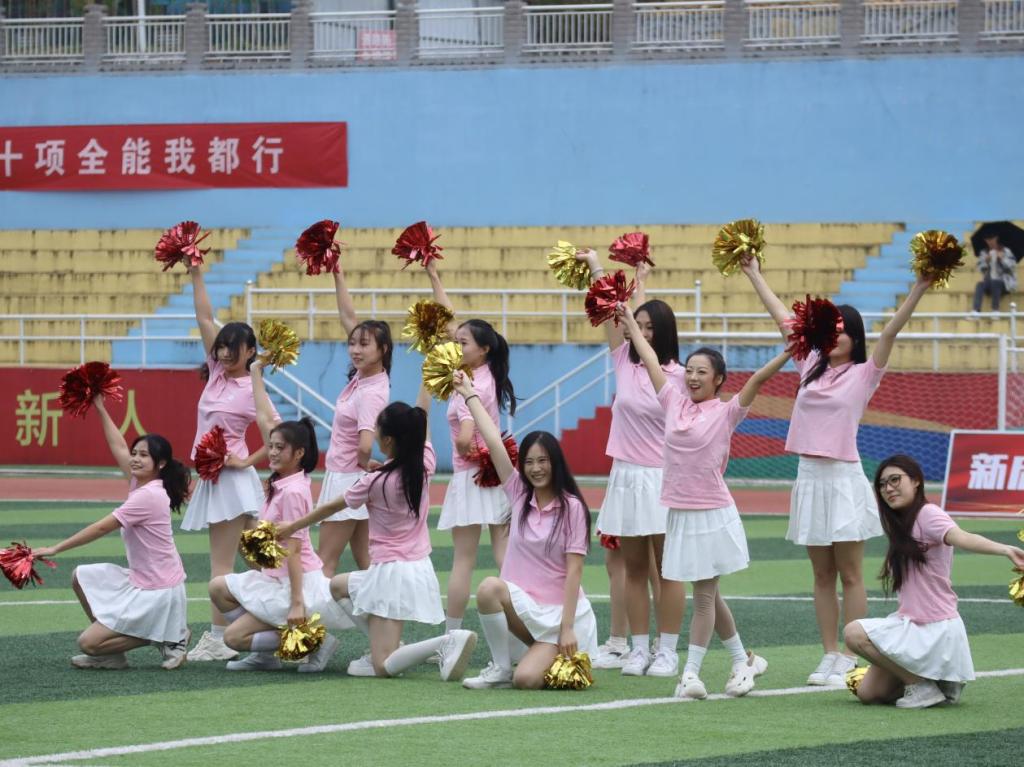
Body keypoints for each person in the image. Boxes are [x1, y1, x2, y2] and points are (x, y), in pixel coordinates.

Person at [740, 255, 934, 686]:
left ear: (855, 338)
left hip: (844, 478)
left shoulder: (865, 373)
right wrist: (753, 273)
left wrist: (919, 286)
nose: (834, 337)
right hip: (809, 477)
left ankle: (850, 653)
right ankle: (829, 653)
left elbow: (891, 331)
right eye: (830, 330)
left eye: (842, 331)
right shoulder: (809, 364)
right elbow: (782, 319)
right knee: (822, 574)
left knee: (850, 573)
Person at [619, 305, 788, 697]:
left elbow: (758, 379)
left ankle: (690, 675)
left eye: (702, 372)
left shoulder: (727, 412)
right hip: (679, 513)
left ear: (718, 380)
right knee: (708, 594)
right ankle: (743, 661)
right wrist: (629, 323)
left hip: (712, 513)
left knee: (704, 597)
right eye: (690, 371)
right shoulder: (672, 402)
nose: (693, 377)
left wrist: (788, 352)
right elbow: (649, 357)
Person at [274, 381, 479, 682]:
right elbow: (421, 415)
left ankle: (444, 642)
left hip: (389, 572)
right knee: (338, 586)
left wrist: (292, 526)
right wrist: (427, 380)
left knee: (382, 667)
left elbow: (331, 507)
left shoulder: (375, 481)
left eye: (377, 430)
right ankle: (383, 647)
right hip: (417, 567)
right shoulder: (424, 463)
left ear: (388, 440)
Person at [455, 371, 599, 690]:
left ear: (556, 463)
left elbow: (574, 572)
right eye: (530, 462)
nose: (536, 468)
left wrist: (566, 628)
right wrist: (468, 393)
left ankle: (540, 656)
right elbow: (494, 441)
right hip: (524, 612)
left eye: (543, 461)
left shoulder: (572, 507)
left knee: (528, 680)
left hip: (558, 616)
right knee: (490, 587)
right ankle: (501, 667)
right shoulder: (519, 494)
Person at [844, 454, 1024, 708]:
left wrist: (1004, 549)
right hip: (913, 625)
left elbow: (961, 537)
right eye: (882, 484)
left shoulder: (928, 514)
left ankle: (921, 685)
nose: (888, 488)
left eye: (895, 480)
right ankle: (937, 682)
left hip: (934, 628)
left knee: (853, 633)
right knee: (869, 693)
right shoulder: (900, 523)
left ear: (916, 481)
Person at [575, 248, 681, 676]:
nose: (645, 333)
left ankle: (667, 650)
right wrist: (596, 266)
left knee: (667, 570)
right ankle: (638, 649)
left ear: (666, 333)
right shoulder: (623, 360)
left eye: (653, 328)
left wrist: (640, 298)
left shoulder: (678, 376)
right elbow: (609, 310)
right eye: (641, 326)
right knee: (634, 568)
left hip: (662, 479)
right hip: (626, 476)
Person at [207, 360, 352, 673]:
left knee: (233, 638)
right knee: (218, 587)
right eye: (270, 446)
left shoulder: (293, 491)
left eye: (279, 448)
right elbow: (263, 417)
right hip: (272, 578)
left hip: (293, 583)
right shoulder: (282, 479)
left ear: (298, 453)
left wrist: (297, 602)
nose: (271, 452)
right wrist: (255, 372)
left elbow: (294, 550)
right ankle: (267, 655)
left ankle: (313, 639)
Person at [34, 395, 191, 670]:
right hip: (142, 580)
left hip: (158, 590)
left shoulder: (149, 496)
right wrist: (100, 407)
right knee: (80, 576)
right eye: (135, 453)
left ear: (161, 463)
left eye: (144, 455)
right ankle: (114, 655)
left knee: (89, 643)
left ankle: (170, 636)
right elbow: (118, 444)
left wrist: (55, 548)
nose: (135, 459)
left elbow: (101, 527)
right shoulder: (141, 483)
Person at [182, 263, 279, 663]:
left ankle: (219, 637)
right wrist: (195, 273)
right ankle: (277, 628)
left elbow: (277, 434)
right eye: (221, 347)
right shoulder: (217, 375)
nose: (223, 352)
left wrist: (245, 460)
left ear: (250, 352)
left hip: (230, 481)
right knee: (262, 561)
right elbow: (205, 317)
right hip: (220, 481)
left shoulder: (249, 387)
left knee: (223, 564)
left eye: (232, 348)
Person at [423, 260, 517, 636]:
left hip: (472, 476)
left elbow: (464, 438)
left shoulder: (470, 383)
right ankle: (522, 624)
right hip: (494, 475)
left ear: (483, 349)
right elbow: (450, 323)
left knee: (463, 560)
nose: (455, 344)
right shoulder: (486, 371)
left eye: (462, 343)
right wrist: (434, 276)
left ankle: (452, 634)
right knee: (504, 556)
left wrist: (465, 447)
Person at [316, 260, 392, 576]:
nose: (354, 350)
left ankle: (308, 612)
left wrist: (364, 463)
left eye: (363, 345)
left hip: (346, 479)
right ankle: (385, 604)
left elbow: (365, 444)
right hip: (350, 477)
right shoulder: (365, 376)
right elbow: (348, 317)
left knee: (324, 562)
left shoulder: (371, 391)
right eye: (352, 344)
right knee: (367, 561)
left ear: (383, 349)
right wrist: (338, 273)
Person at [972, 235, 1016, 313]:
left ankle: (995, 310)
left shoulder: (1006, 251)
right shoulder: (984, 253)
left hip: (1005, 284)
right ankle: (976, 311)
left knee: (995, 282)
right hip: (989, 283)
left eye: (992, 239)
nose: (990, 241)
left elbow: (1012, 267)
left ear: (996, 238)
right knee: (979, 285)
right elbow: (980, 268)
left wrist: (1002, 259)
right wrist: (986, 261)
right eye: (988, 239)